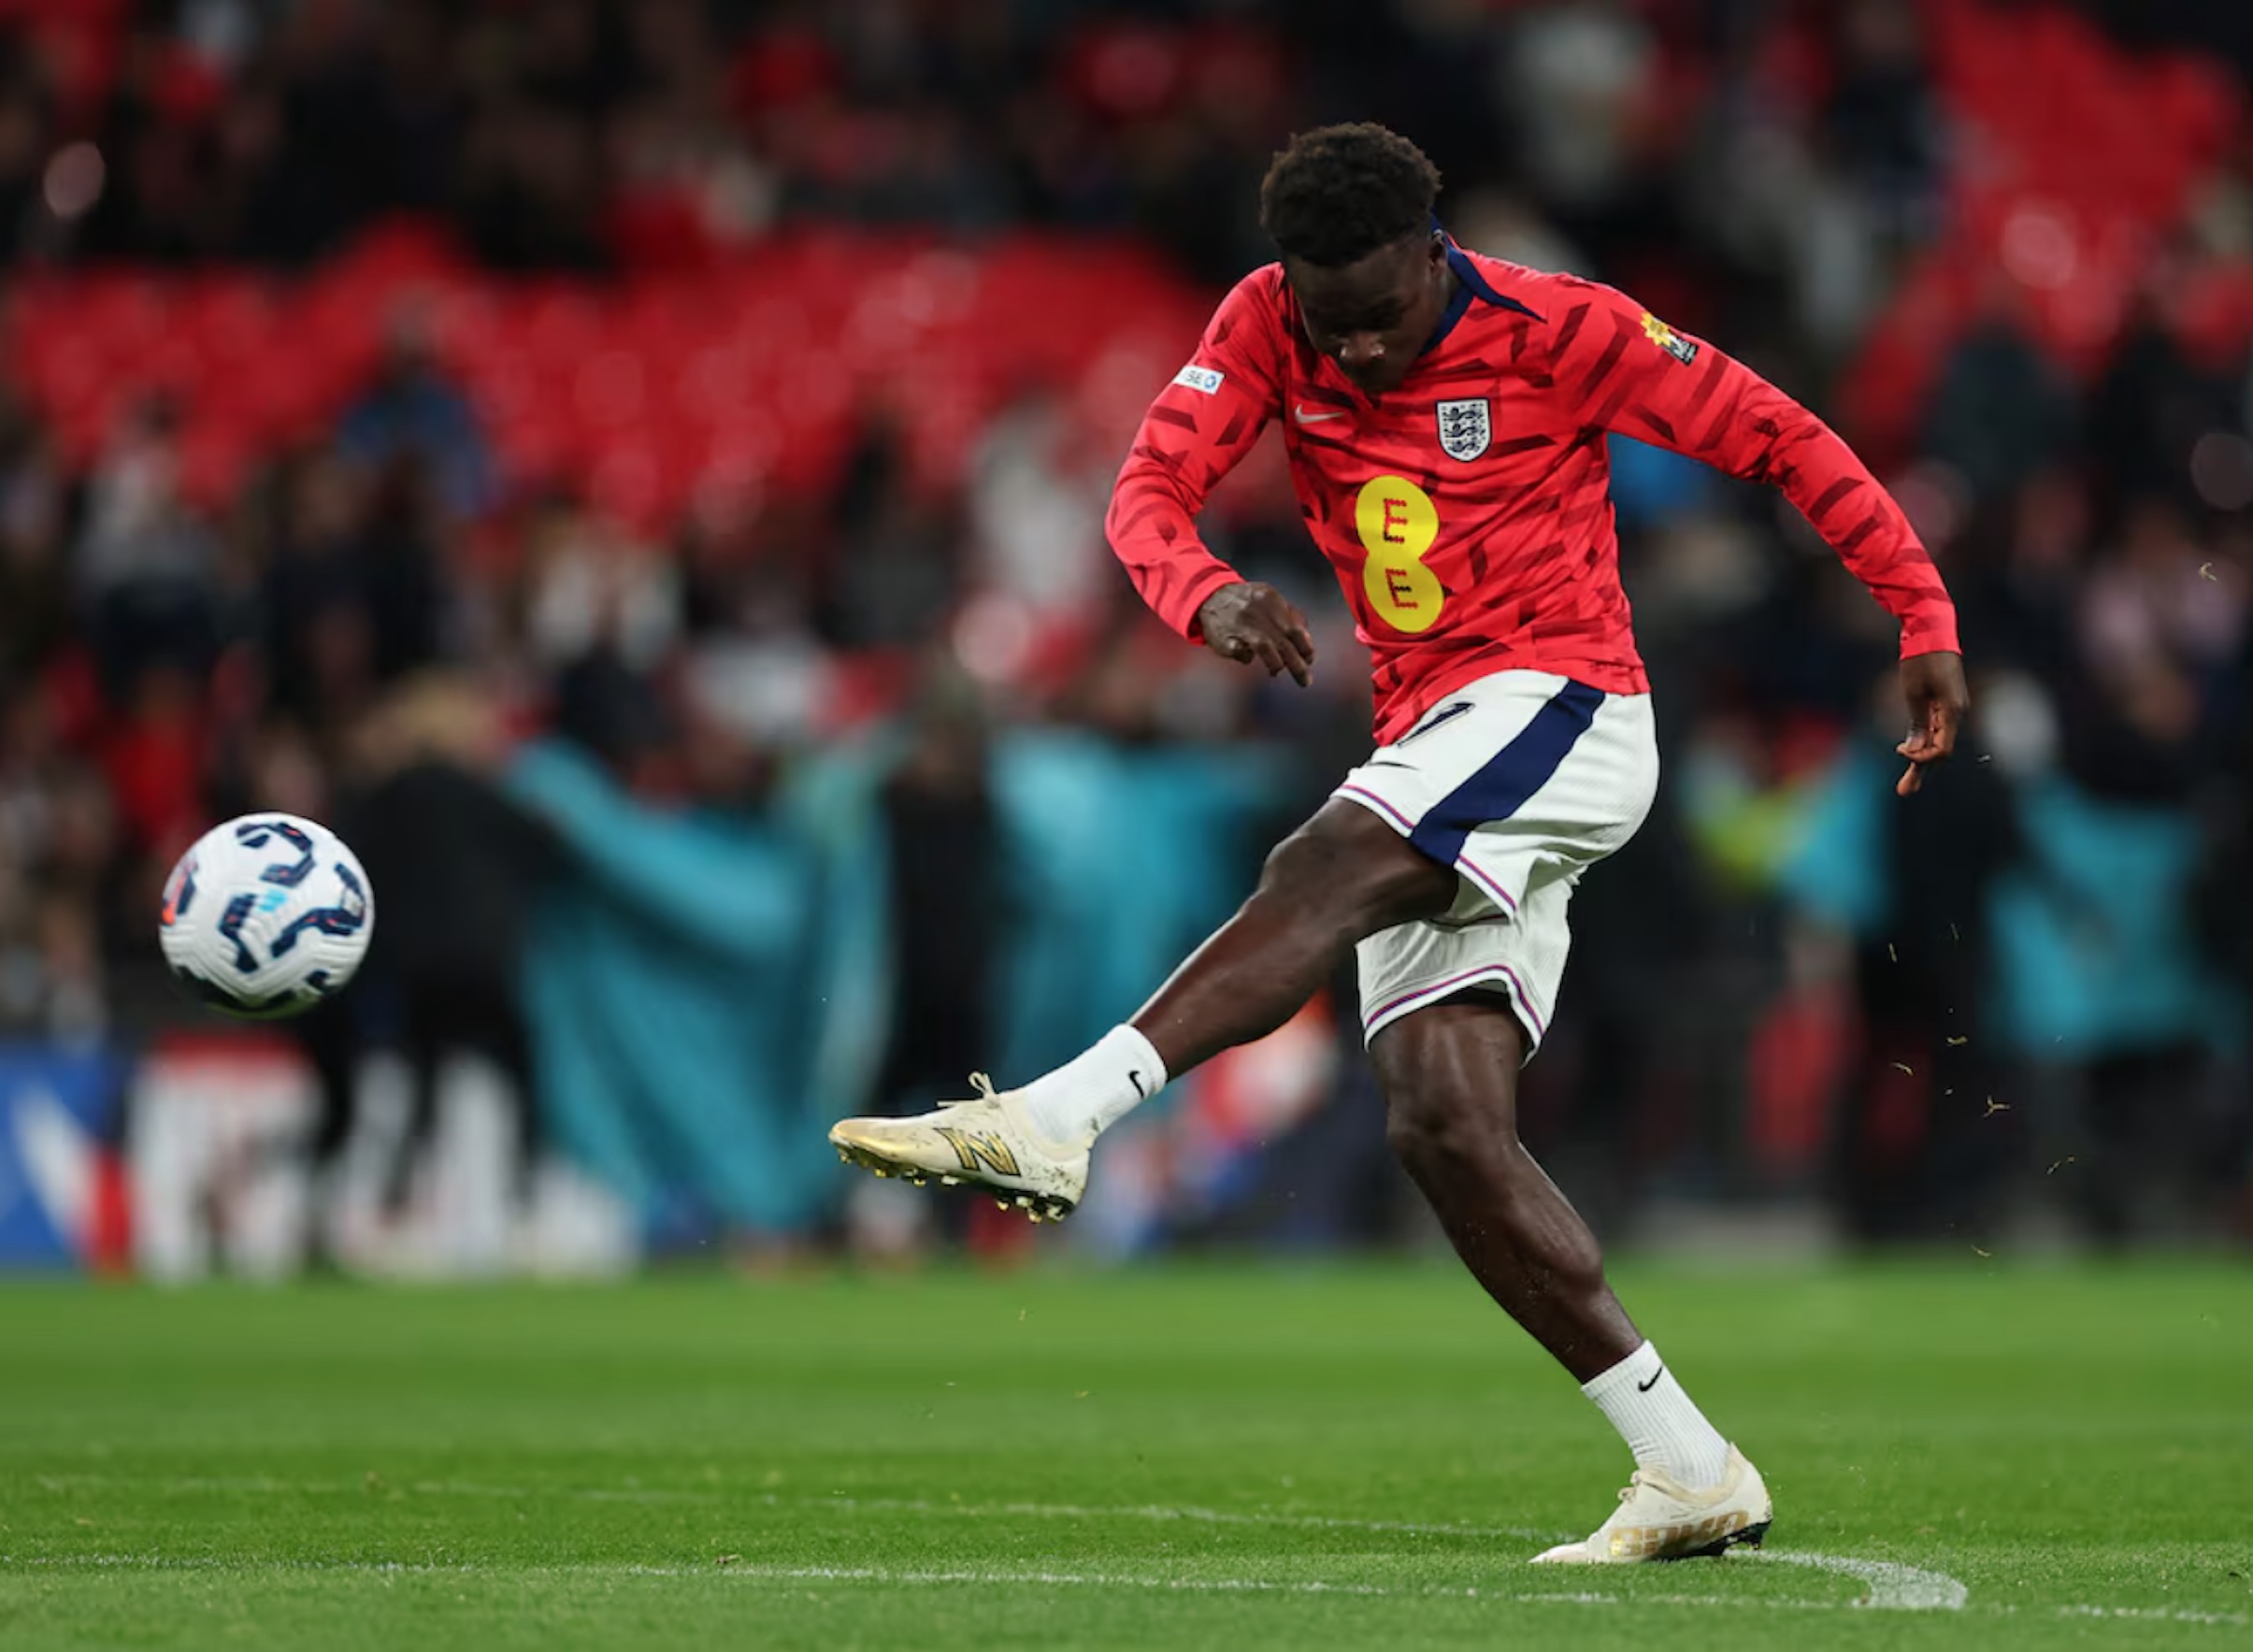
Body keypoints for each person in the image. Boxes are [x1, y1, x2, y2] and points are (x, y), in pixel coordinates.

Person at [829, 123, 1966, 1564]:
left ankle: (1060, 1119)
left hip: (1564, 703)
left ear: (1435, 255)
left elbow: (1778, 437)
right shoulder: (1263, 318)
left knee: (1318, 862)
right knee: (1440, 1127)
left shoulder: (1559, 328)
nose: (1356, 349)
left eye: (1381, 312)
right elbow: (1145, 493)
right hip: (1431, 734)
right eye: (1329, 318)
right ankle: (1684, 1466)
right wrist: (1205, 597)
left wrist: (1919, 614)